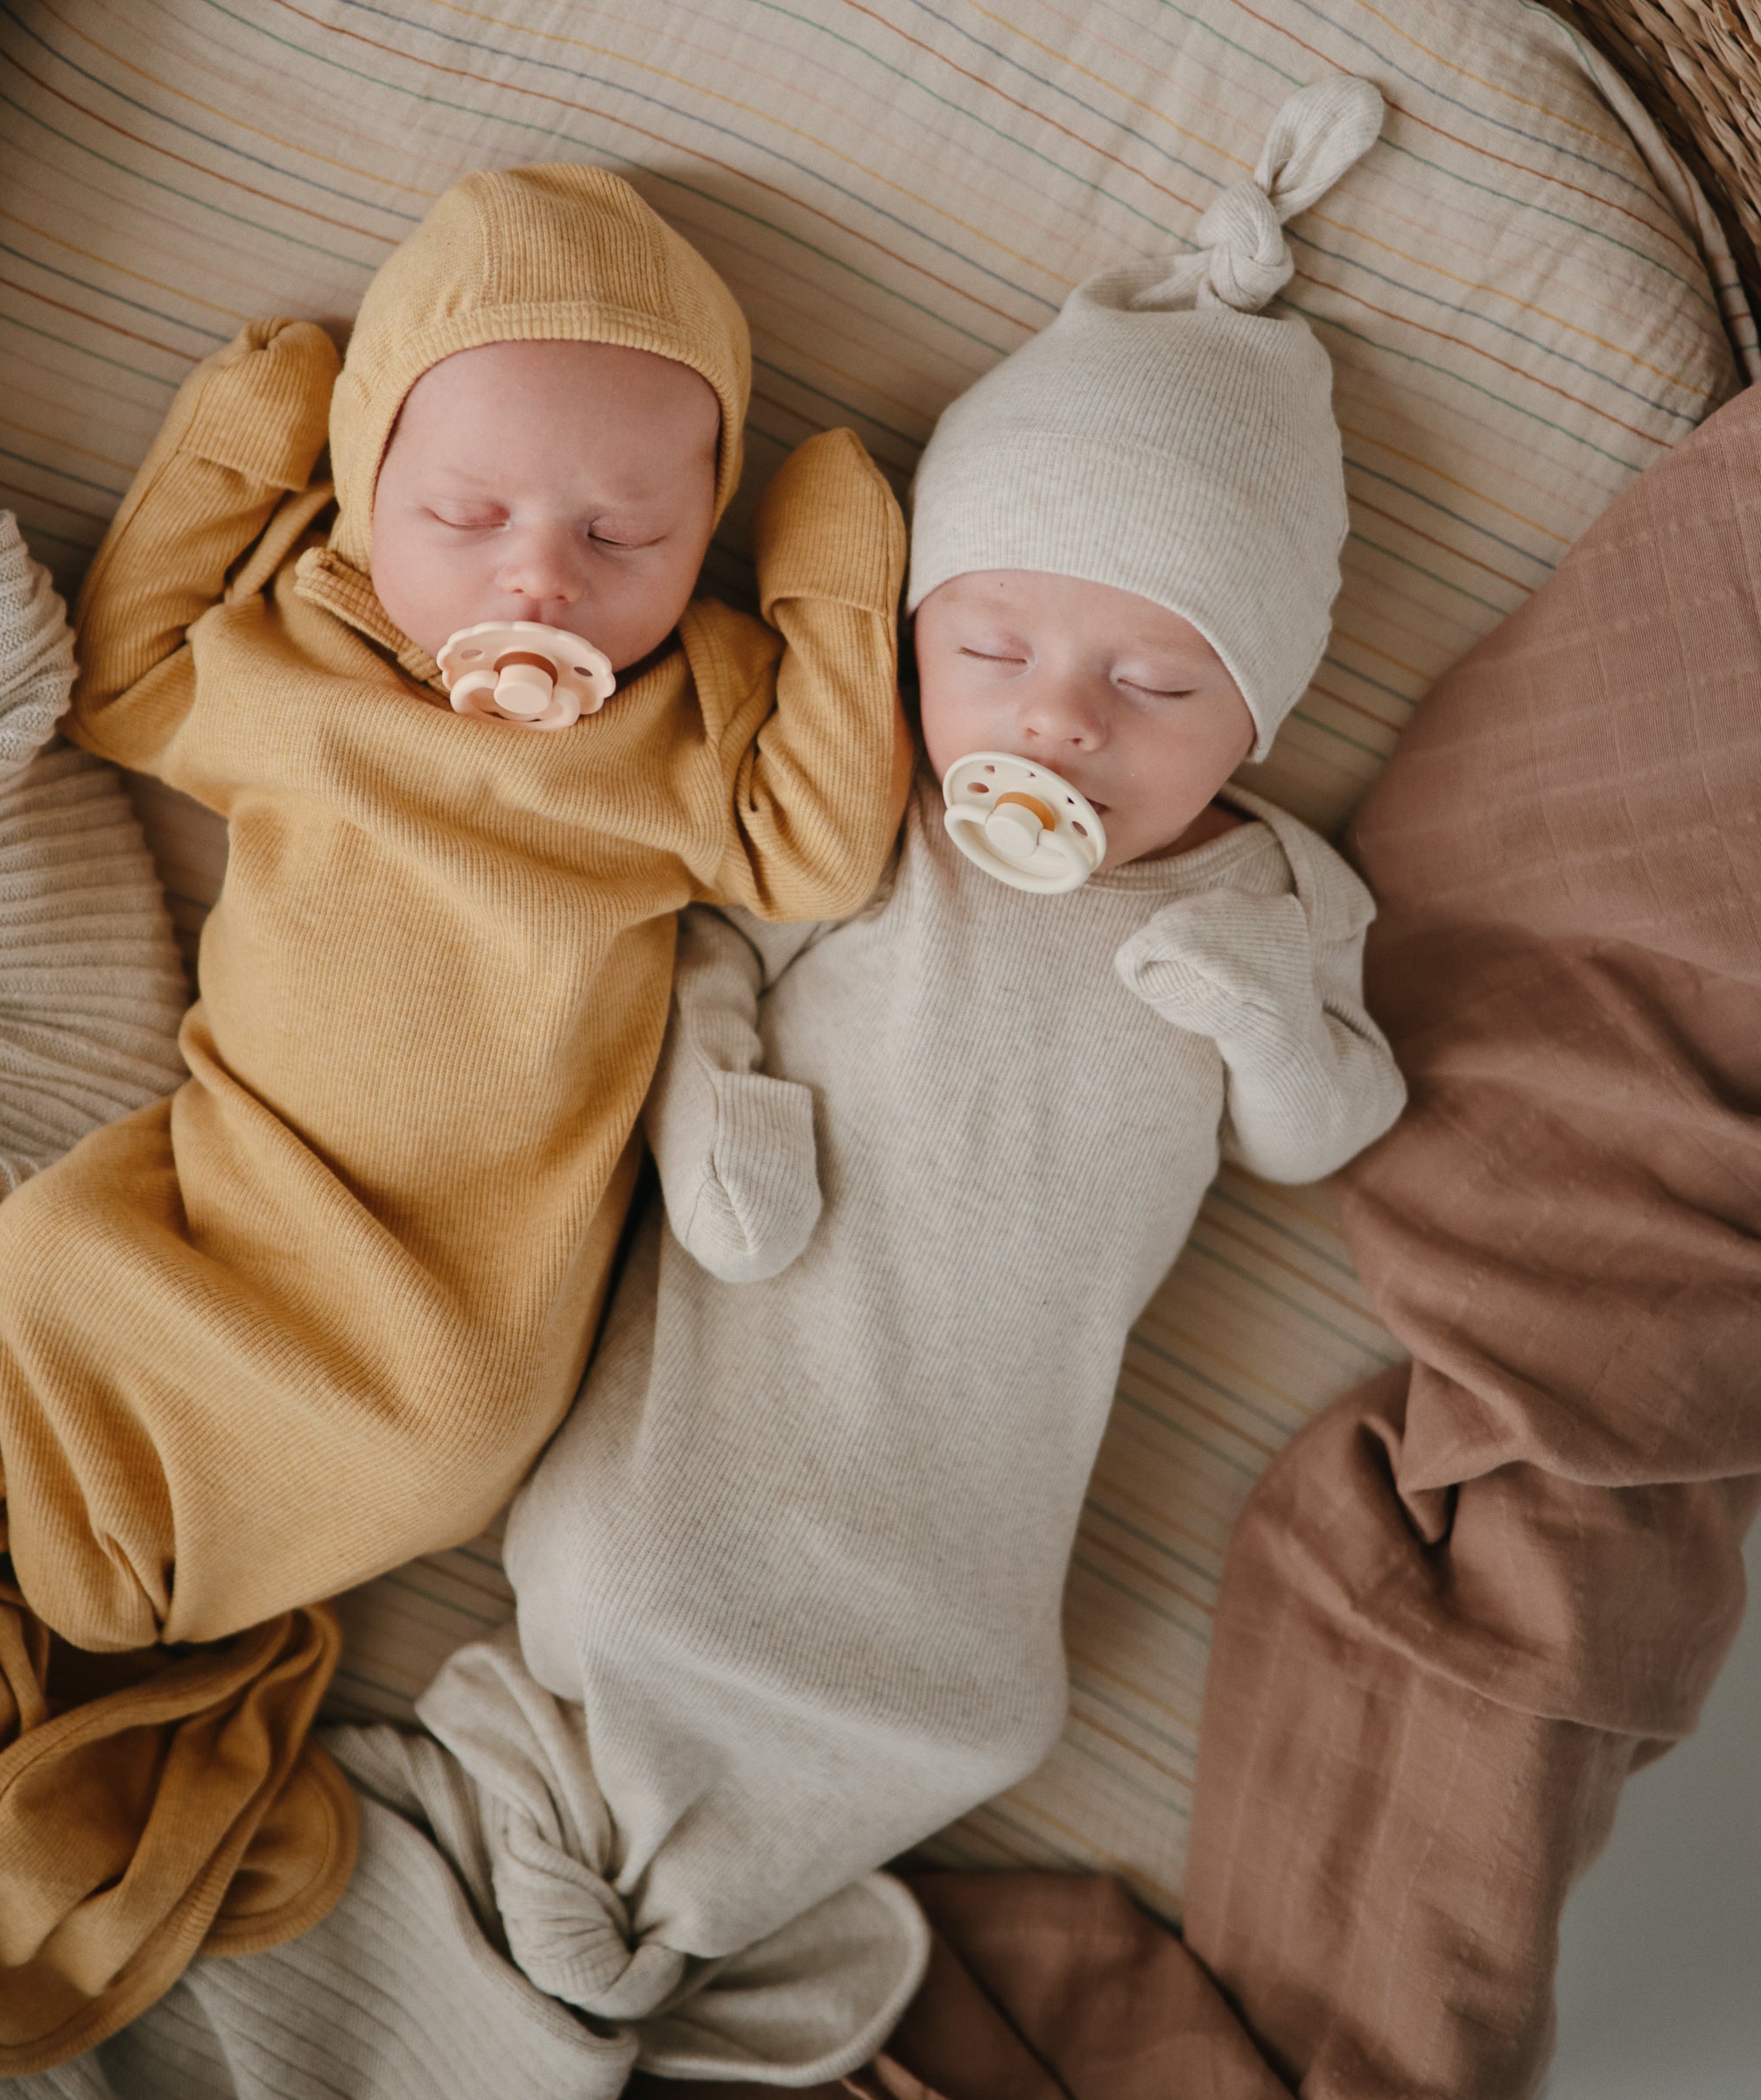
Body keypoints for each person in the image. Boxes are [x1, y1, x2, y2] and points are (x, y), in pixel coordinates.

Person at [397, 73, 1407, 2074]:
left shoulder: (1281, 894)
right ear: (923, 638)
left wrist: (1263, 1020)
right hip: (775, 1330)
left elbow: (1332, 1135)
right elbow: (700, 954)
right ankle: (608, 1834)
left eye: (1152, 684)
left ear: (1258, 711)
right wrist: (720, 1113)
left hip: (988, 1428)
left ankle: (677, 1905)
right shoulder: (872, 814)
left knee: (989, 1707)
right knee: (632, 1571)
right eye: (995, 649)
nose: (1059, 725)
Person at [0, 162, 910, 2076]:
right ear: (368, 487)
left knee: (441, 1434)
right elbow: (117, 680)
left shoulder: (682, 721)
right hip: (240, 1185)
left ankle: (162, 1637)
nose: (544, 575)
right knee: (43, 1255)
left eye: (627, 530)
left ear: (702, 537)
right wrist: (234, 436)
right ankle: (114, 1610)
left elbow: (820, 852)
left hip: (460, 1288)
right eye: (467, 513)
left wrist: (829, 582)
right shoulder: (292, 652)